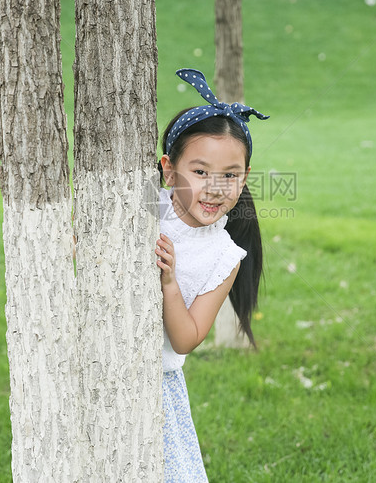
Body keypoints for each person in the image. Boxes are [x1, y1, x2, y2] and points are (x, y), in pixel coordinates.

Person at [154, 68, 268, 481]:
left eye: (230, 175)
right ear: (168, 169)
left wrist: (169, 283)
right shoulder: (141, 203)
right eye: (200, 172)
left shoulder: (223, 255)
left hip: (154, 389)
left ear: (245, 178)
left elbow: (185, 339)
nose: (216, 188)